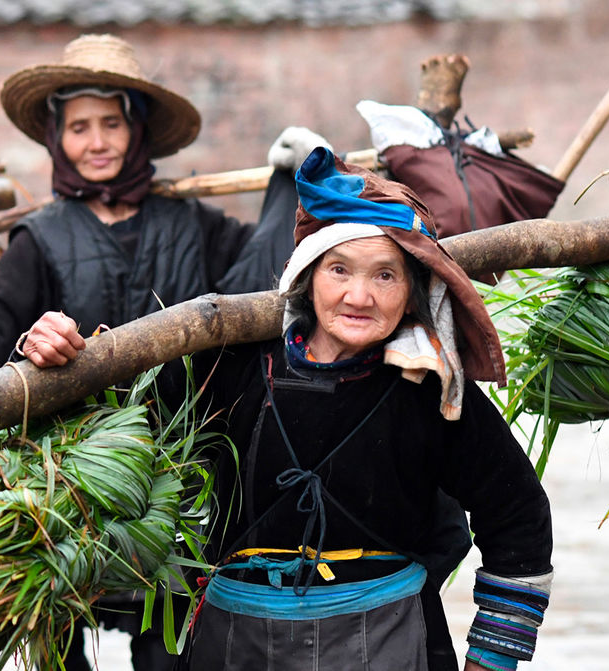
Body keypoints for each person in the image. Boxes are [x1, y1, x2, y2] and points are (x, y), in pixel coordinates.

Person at [0, 34, 325, 671]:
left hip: (180, 465)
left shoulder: (191, 223)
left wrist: (289, 188)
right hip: (67, 477)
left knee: (169, 644)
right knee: (56, 631)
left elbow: (264, 276)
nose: (97, 140)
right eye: (79, 127)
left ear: (138, 132)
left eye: (111, 123)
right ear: (57, 138)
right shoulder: (40, 238)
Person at [173, 147, 554, 671]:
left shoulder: (431, 390)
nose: (359, 296)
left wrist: (492, 657)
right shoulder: (231, 368)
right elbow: (120, 417)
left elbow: (518, 517)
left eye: (385, 276)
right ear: (306, 277)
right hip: (236, 642)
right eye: (339, 270)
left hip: (388, 642)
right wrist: (65, 346)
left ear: (413, 293)